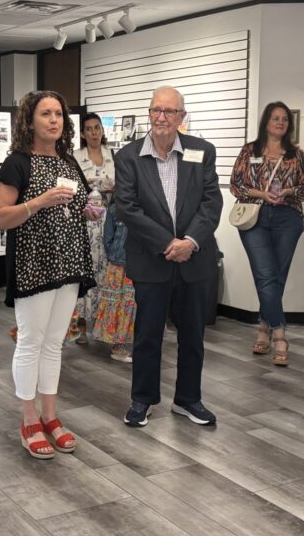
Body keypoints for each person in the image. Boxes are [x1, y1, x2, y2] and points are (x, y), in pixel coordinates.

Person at [0, 90, 97, 459]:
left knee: (55, 342)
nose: (54, 120)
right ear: (30, 121)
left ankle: (51, 415)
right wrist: (38, 202)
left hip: (69, 262)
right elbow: (0, 217)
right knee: (31, 341)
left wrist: (88, 210)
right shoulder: (16, 164)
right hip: (33, 263)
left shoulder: (69, 162)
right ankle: (29, 418)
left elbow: (78, 201)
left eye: (58, 114)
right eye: (46, 114)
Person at [115, 86, 223, 427]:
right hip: (151, 258)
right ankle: (142, 400)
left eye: (169, 112)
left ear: (181, 117)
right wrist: (169, 243)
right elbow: (128, 209)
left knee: (193, 335)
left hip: (194, 258)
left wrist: (189, 241)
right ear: (149, 113)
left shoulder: (201, 151)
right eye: (156, 110)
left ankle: (188, 400)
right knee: (147, 335)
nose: (161, 117)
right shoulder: (129, 156)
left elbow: (211, 202)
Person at [230, 101, 304, 365]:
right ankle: (279, 333)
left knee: (276, 276)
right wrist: (261, 193)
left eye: (285, 119)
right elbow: (236, 184)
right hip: (254, 216)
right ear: (266, 121)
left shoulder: (295, 154)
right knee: (266, 275)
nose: (280, 123)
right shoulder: (250, 150)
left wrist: (287, 192)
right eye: (276, 118)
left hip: (287, 217)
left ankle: (264, 328)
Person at [70, 112, 115, 345]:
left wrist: (102, 186)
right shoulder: (76, 157)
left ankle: (103, 323)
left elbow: (118, 185)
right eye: (89, 129)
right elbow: (72, 188)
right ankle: (81, 325)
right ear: (83, 133)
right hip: (85, 223)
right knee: (86, 270)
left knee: (105, 270)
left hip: (108, 222)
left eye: (97, 128)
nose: (94, 132)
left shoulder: (112, 155)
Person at [92, 200, 137, 362]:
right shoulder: (115, 209)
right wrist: (114, 257)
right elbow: (108, 238)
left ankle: (126, 345)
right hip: (118, 264)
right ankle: (117, 345)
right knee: (116, 304)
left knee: (131, 305)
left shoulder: (146, 206)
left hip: (138, 264)